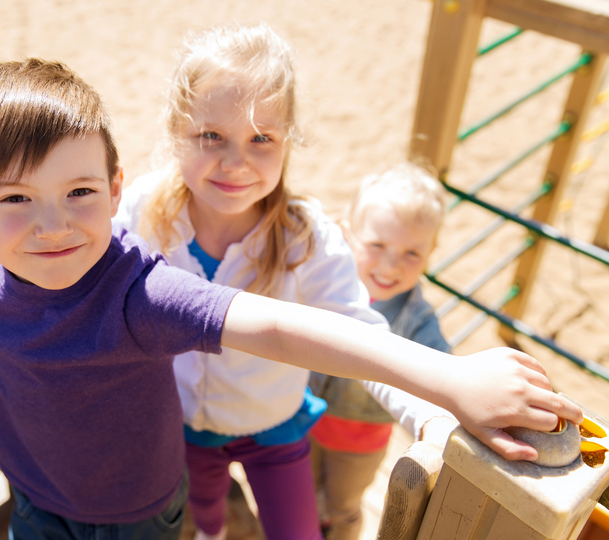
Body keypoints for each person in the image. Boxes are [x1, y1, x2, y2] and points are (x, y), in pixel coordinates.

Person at [0, 60, 580, 540]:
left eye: (81, 194)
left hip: (136, 516)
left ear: (117, 184)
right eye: (17, 200)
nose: (54, 225)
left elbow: (283, 325)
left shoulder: (138, 294)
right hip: (34, 499)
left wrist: (446, 379)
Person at [113, 25, 455, 540]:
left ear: (287, 141)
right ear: (175, 130)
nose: (236, 162)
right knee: (204, 510)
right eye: (211, 136)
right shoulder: (143, 210)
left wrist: (430, 409)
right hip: (181, 423)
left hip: (272, 426)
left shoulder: (306, 241)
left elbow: (362, 336)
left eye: (261, 139)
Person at [308, 162, 455, 539]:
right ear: (347, 234)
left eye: (412, 254)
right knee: (303, 494)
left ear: (431, 252)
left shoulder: (417, 319)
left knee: (342, 507)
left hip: (359, 442)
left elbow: (444, 368)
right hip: (303, 419)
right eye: (377, 245)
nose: (391, 265)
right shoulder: (327, 286)